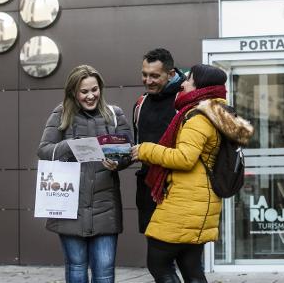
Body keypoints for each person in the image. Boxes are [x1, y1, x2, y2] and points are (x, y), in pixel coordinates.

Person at [131, 64, 253, 283]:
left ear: (200, 86)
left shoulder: (199, 117)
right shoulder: (219, 112)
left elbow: (184, 158)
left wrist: (145, 149)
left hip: (185, 203)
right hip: (201, 202)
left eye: (188, 79)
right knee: (191, 267)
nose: (183, 82)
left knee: (158, 263)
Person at [37, 64, 132, 283]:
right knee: (77, 269)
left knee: (105, 272)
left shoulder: (115, 115)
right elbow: (44, 150)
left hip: (104, 205)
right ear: (73, 92)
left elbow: (129, 151)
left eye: (94, 89)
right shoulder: (61, 113)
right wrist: (69, 146)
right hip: (69, 204)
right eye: (84, 91)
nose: (91, 96)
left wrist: (118, 162)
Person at [134, 48, 185, 235]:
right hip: (148, 190)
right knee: (156, 261)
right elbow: (137, 148)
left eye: (154, 76)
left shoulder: (184, 101)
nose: (148, 81)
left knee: (184, 259)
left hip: (178, 190)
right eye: (144, 75)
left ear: (171, 74)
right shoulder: (141, 103)